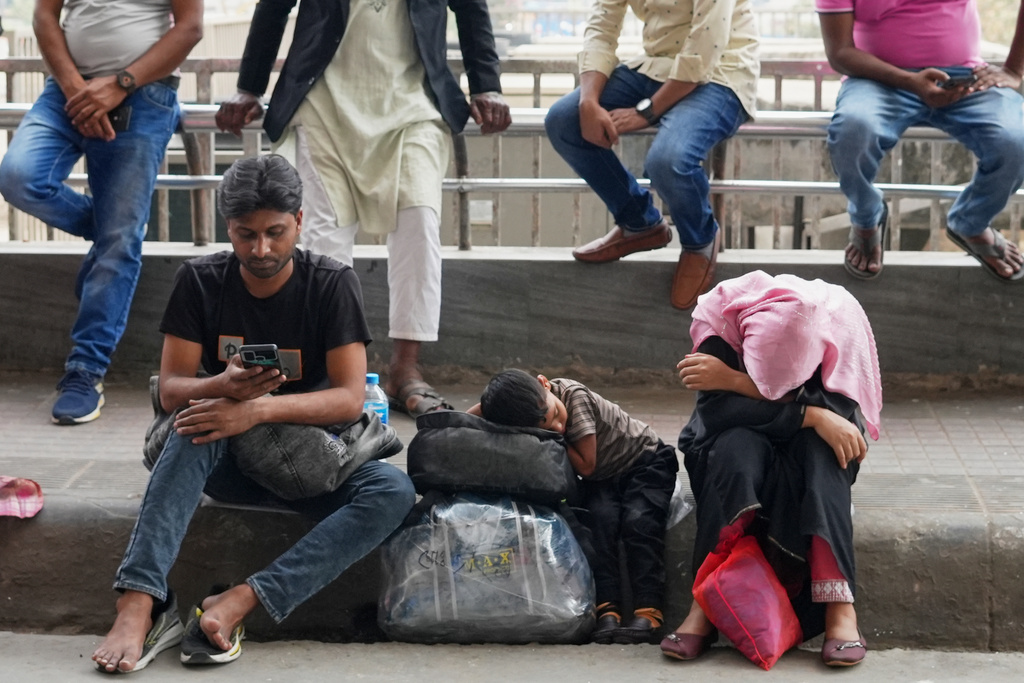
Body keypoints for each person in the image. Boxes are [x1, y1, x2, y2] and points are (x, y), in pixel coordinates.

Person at [91, 156, 416, 673]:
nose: (261, 250)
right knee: (198, 420)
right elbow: (173, 388)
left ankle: (241, 600)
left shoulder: (331, 285)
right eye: (247, 235)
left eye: (275, 233)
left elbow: (350, 399)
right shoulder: (200, 281)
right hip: (224, 458)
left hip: (313, 458)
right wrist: (223, 386)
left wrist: (260, 410)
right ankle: (139, 601)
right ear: (229, 229)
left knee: (393, 492)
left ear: (300, 223)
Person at [214, 0, 512, 418]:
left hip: (414, 106)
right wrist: (249, 87)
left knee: (419, 226)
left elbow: (472, 10)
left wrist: (487, 87)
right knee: (322, 242)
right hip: (322, 104)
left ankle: (406, 369)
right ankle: (339, 372)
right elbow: (273, 8)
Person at [661, 271, 881, 667]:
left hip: (806, 453)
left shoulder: (837, 326)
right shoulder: (723, 326)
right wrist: (806, 411)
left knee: (824, 450)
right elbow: (718, 412)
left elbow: (841, 419)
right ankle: (705, 603)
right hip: (730, 443)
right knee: (736, 446)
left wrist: (739, 383)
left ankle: (841, 608)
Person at [0, 0, 202, 424]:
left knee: (119, 239)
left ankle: (85, 371)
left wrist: (121, 84)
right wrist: (77, 89)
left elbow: (190, 28)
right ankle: (114, 233)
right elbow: (44, 16)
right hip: (66, 92)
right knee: (19, 176)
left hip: (144, 95)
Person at [543, 0, 759, 310]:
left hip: (722, 72)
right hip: (656, 65)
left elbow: (704, 47)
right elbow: (603, 25)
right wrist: (588, 101)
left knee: (668, 159)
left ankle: (700, 241)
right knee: (564, 120)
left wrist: (647, 111)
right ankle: (639, 222)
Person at [469, 369, 679, 645]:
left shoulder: (574, 399)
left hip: (645, 462)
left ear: (545, 383)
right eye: (545, 426)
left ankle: (649, 610)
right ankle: (607, 609)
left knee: (638, 522)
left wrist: (541, 434)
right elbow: (477, 413)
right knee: (598, 526)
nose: (557, 427)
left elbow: (586, 465)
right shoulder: (531, 401)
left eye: (554, 414)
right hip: (605, 477)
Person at [819, 0, 1024, 282]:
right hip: (876, 80)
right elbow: (840, 53)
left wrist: (1014, 68)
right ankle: (867, 218)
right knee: (853, 132)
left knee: (1015, 141)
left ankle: (971, 221)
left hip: (965, 76)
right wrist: (910, 81)